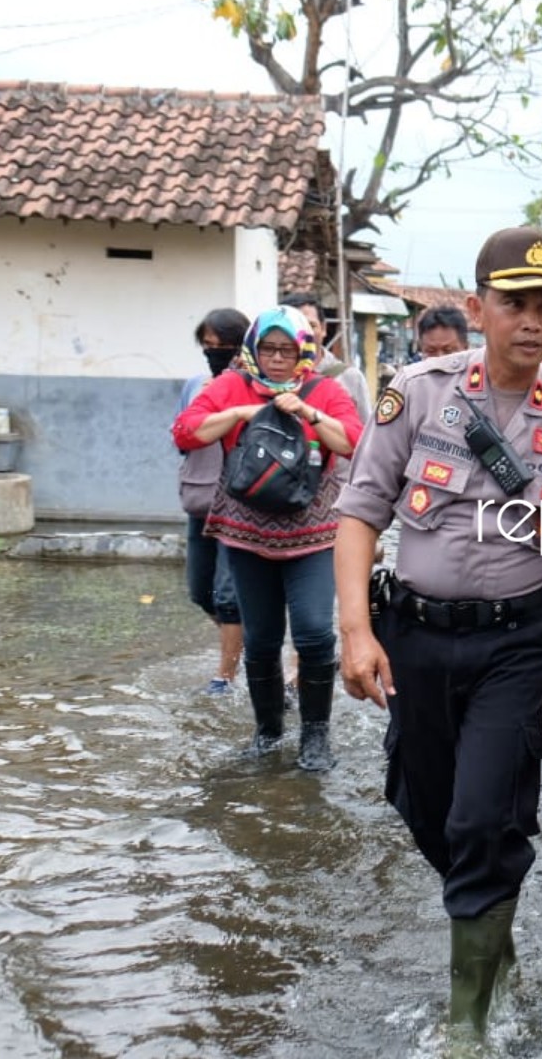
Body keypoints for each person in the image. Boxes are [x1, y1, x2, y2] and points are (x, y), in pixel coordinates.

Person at [333, 227, 542, 1040]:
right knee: (425, 810)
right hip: (412, 635)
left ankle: (465, 1030)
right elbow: (358, 514)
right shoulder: (417, 393)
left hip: (517, 643)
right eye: (515, 303)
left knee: (483, 820)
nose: (532, 320)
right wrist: (355, 630)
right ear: (480, 306)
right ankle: (491, 930)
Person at [173, 305, 364, 770]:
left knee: (316, 633)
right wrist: (240, 409)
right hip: (246, 532)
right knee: (260, 640)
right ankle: (267, 732)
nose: (277, 359)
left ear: (305, 350)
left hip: (314, 534)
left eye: (287, 349)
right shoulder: (229, 386)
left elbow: (355, 441)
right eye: (268, 349)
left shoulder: (325, 388)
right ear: (253, 350)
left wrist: (308, 412)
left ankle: (315, 737)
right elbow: (186, 431)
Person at [178, 308, 249, 696]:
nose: (215, 354)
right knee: (200, 592)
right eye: (208, 346)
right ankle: (248, 640)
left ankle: (225, 674)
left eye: (224, 347)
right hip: (202, 496)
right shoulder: (194, 385)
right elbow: (180, 437)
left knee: (227, 593)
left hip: (240, 502)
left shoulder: (252, 386)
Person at [283, 291, 373, 426]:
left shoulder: (350, 377)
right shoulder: (270, 376)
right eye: (294, 325)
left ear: (324, 328)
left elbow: (366, 435)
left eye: (311, 325)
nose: (304, 333)